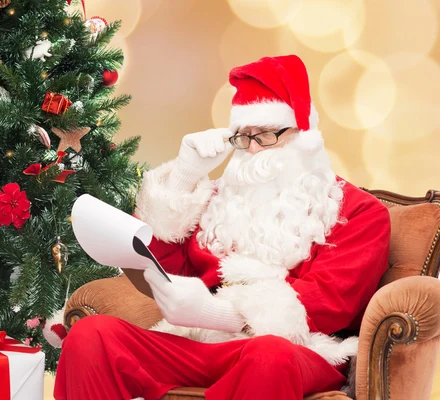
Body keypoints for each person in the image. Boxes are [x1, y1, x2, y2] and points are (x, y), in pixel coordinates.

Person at [53, 55, 391, 400]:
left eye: (267, 135)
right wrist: (185, 177)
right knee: (91, 335)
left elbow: (327, 305)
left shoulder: (359, 212)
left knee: (269, 355)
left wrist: (216, 312)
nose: (254, 149)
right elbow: (169, 266)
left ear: (304, 135)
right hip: (201, 343)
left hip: (299, 351)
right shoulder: (220, 199)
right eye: (243, 137)